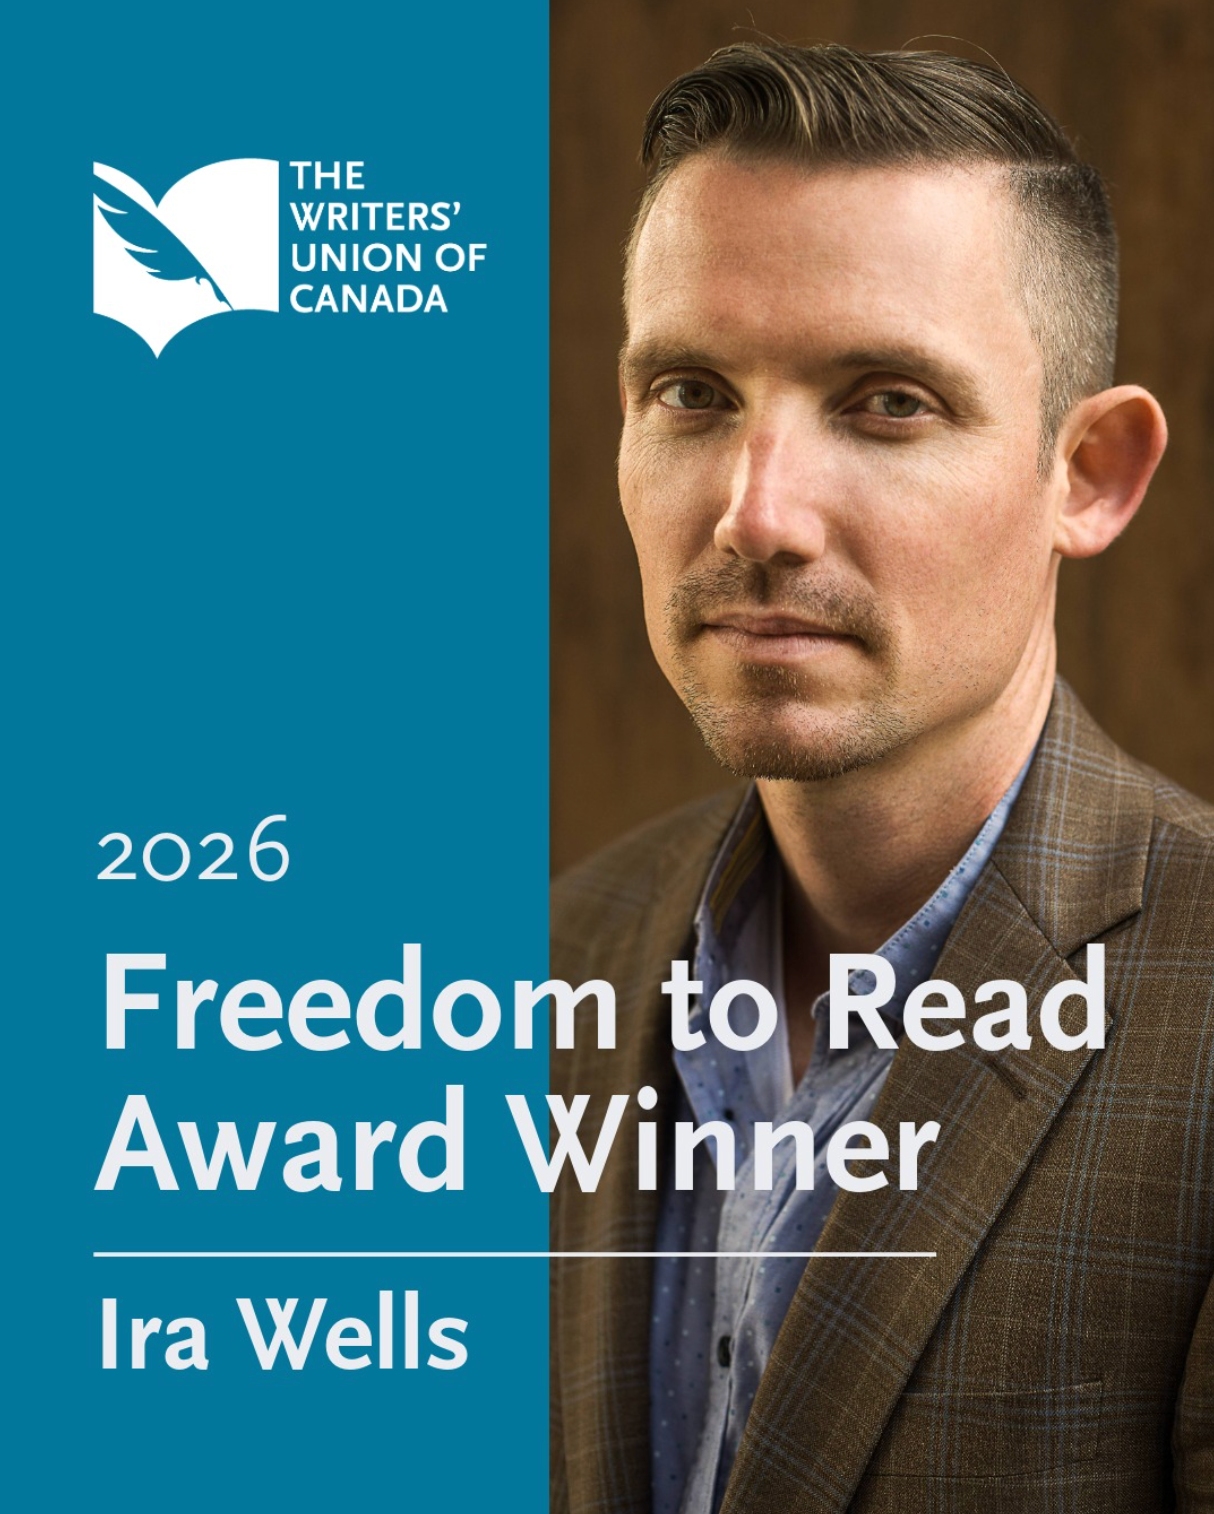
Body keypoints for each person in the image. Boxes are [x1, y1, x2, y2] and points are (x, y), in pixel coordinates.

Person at [549, 42, 1214, 1514]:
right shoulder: (552, 960)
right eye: (692, 391)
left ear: (1088, 473)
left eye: (887, 402)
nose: (758, 514)